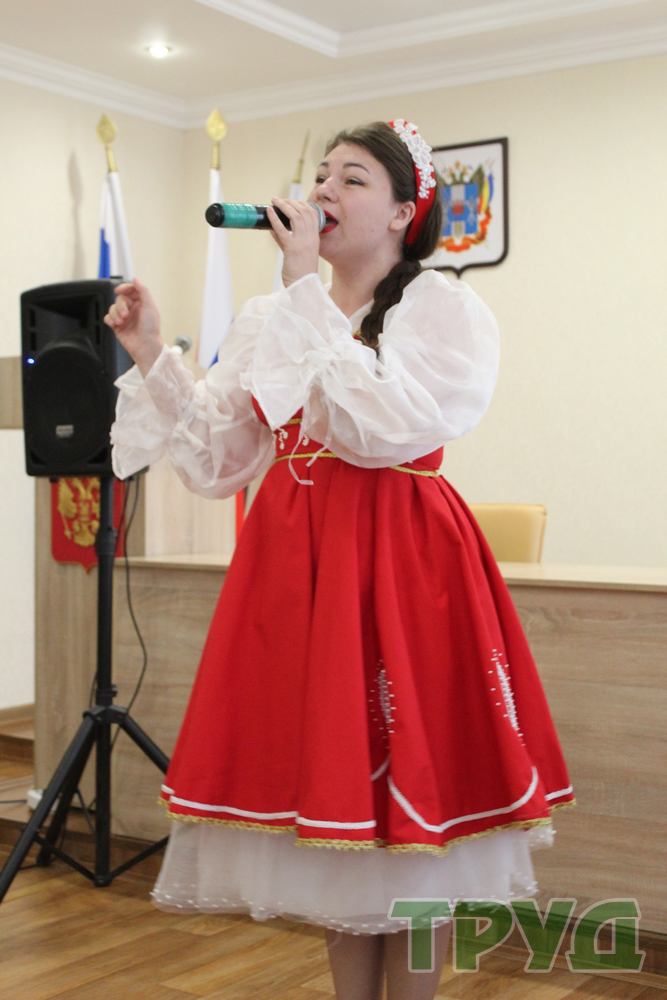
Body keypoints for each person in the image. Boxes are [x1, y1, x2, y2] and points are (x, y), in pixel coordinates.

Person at [105, 119, 574, 1000]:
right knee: (337, 815)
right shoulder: (272, 316)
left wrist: (300, 291)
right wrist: (151, 351)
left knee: (413, 816)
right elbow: (220, 459)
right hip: (298, 568)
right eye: (320, 174)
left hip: (403, 562)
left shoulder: (439, 305)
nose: (322, 190)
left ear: (402, 212)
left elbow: (384, 429)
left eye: (351, 179)